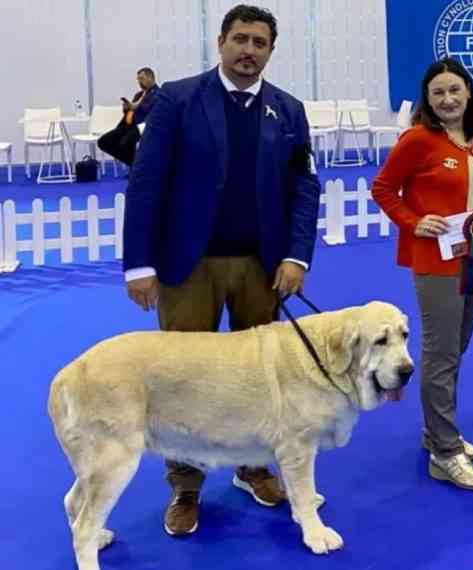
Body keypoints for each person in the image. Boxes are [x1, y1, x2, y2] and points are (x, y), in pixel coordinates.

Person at [122, 4, 321, 536]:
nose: (249, 50)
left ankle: (252, 466)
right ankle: (186, 486)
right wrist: (138, 263)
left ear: (270, 50)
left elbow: (304, 186)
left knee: (260, 378)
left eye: (260, 42)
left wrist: (296, 255)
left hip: (262, 266)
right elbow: (146, 181)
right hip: (187, 265)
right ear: (221, 42)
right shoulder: (176, 100)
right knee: (182, 380)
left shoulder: (289, 110)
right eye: (240, 39)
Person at [372, 58, 473, 491]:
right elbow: (382, 188)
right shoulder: (417, 140)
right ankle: (445, 453)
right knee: (441, 353)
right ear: (428, 100)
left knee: (456, 348)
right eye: (438, 93)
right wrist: (413, 222)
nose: (448, 99)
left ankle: (437, 432)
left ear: (468, 93)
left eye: (454, 90)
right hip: (436, 263)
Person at [97, 67, 159, 166]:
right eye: (138, 79)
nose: (139, 82)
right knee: (103, 142)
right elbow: (131, 111)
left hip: (141, 127)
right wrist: (126, 109)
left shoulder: (158, 94)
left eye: (141, 79)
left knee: (124, 143)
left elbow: (149, 111)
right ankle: (134, 164)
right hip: (126, 125)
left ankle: (137, 166)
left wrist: (135, 107)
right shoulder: (138, 95)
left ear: (150, 78)